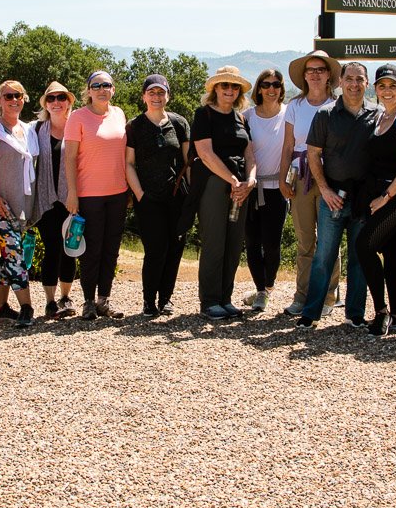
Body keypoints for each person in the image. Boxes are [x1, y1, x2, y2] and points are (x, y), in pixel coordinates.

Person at [298, 62, 378, 328]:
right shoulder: (326, 114)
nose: (355, 84)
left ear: (367, 83)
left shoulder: (377, 115)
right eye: (350, 79)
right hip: (332, 196)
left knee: (359, 258)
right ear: (340, 81)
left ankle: (355, 313)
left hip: (363, 200)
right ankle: (311, 312)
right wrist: (324, 190)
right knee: (324, 257)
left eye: (360, 79)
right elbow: (313, 154)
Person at [353, 64, 396, 336]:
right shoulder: (381, 116)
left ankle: (381, 310)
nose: (387, 90)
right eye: (382, 86)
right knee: (391, 252)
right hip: (377, 193)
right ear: (376, 89)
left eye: (392, 85)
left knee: (364, 246)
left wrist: (385, 197)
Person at [278, 49, 341, 317]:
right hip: (301, 176)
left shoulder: (339, 106)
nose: (315, 74)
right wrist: (283, 178)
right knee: (305, 241)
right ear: (304, 76)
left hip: (331, 177)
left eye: (320, 69)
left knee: (329, 240)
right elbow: (288, 145)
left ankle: (328, 295)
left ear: (329, 75)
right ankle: (302, 295)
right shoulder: (295, 106)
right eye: (310, 70)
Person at [63, 70, 130, 319]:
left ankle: (104, 300)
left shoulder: (119, 114)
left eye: (107, 85)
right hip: (89, 194)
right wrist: (72, 192)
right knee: (91, 249)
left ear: (113, 89)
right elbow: (69, 158)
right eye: (97, 85)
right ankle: (88, 301)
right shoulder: (77, 118)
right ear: (89, 91)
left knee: (111, 249)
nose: (102, 89)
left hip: (118, 193)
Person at [192, 66, 257, 321]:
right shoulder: (204, 115)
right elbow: (205, 153)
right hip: (214, 184)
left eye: (234, 86)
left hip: (240, 187)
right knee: (215, 241)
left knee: (233, 243)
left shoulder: (241, 119)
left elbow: (250, 153)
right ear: (215, 89)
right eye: (224, 86)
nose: (229, 90)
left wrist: (250, 181)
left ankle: (225, 298)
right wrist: (231, 179)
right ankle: (209, 301)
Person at [125, 73, 190, 316]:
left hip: (176, 196)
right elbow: (128, 164)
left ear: (167, 95)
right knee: (155, 249)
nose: (156, 97)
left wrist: (191, 198)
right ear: (144, 96)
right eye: (152, 92)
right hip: (148, 198)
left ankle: (166, 299)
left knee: (175, 247)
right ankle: (148, 300)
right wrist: (139, 193)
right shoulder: (134, 126)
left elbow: (187, 162)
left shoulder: (179, 123)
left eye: (161, 92)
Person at [0, 79, 38, 328]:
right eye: (8, 96)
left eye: (18, 95)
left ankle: (0, 307)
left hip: (21, 206)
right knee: (14, 256)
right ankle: (27, 307)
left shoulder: (28, 130)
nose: (14, 100)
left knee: (3, 258)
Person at [28, 81, 78, 318]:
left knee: (71, 248)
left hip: (72, 198)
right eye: (51, 99)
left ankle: (66, 297)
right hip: (46, 200)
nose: (56, 102)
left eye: (61, 98)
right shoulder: (36, 129)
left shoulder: (78, 127)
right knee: (52, 249)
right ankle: (49, 301)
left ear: (69, 102)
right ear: (45, 104)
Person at [242, 68, 288, 312]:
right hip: (251, 188)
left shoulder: (289, 114)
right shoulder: (247, 117)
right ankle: (261, 290)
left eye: (277, 84)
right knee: (252, 242)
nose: (272, 89)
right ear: (259, 88)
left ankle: (267, 286)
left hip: (277, 188)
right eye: (267, 84)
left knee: (272, 244)